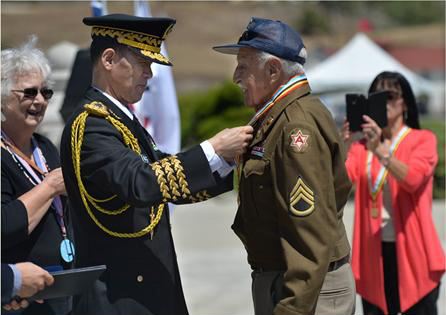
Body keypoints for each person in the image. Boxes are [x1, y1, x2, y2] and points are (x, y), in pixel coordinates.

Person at [59, 14, 253, 315]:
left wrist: (231, 162)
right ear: (109, 59)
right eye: (142, 63)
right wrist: (212, 148)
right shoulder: (93, 125)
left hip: (143, 288)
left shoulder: (122, 120)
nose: (149, 75)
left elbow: (170, 178)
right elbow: (142, 183)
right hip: (118, 295)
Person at [213, 17, 355, 315]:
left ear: (274, 69)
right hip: (295, 282)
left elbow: (310, 231)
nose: (236, 77)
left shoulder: (294, 126)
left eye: (243, 66)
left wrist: (292, 307)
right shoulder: (285, 115)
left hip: (303, 290)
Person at [341, 71, 445, 315]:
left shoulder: (422, 139)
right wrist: (343, 145)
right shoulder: (361, 146)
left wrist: (381, 152)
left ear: (405, 102)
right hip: (373, 253)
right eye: (377, 96)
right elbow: (341, 184)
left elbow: (413, 179)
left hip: (413, 251)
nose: (383, 102)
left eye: (390, 95)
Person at [1, 37, 73, 315]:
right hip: (18, 299)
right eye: (29, 92)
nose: (40, 101)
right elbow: (4, 227)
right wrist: (51, 186)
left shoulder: (45, 146)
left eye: (46, 92)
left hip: (59, 290)